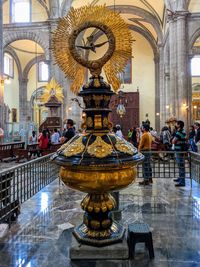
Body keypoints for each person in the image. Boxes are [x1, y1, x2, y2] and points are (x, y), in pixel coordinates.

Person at [172, 120, 187, 187]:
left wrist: (175, 141)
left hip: (179, 150)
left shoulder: (179, 132)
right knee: (181, 165)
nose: (176, 124)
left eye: (177, 124)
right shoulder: (183, 131)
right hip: (181, 149)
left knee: (181, 166)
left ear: (179, 125)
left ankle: (182, 182)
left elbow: (173, 141)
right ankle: (180, 178)